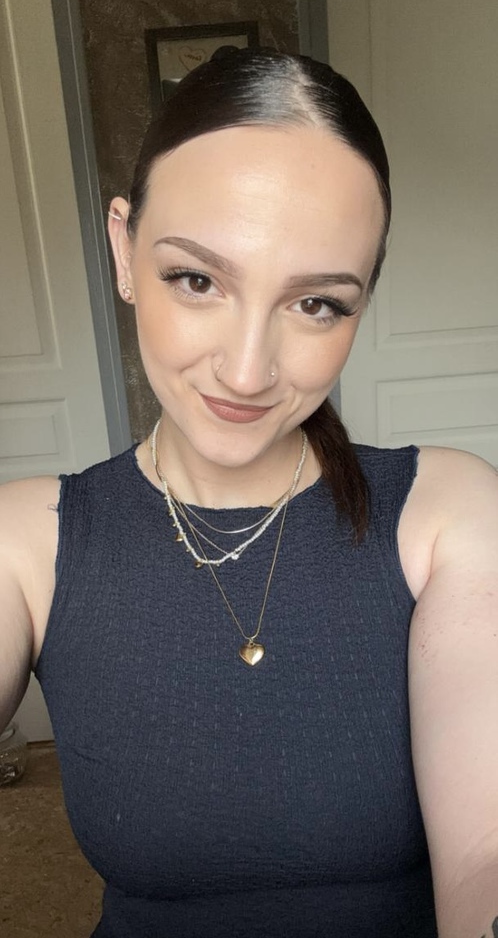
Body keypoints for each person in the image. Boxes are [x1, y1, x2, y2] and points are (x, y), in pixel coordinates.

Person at [1, 48, 497, 938]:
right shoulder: (27, 543)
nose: (246, 370)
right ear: (123, 250)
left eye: (317, 304)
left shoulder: (448, 511)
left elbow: (486, 853)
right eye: (197, 280)